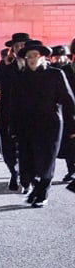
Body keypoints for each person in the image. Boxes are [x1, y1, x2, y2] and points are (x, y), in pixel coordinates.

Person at [10, 40, 75, 207]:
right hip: (27, 125)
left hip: (50, 126)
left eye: (35, 55)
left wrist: (72, 124)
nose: (32, 59)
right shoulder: (21, 78)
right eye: (29, 56)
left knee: (46, 161)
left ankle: (42, 194)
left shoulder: (55, 74)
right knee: (27, 161)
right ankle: (35, 188)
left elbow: (68, 101)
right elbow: (15, 104)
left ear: (43, 57)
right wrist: (13, 126)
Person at [0, 33, 30, 191]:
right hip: (7, 112)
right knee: (7, 145)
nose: (20, 48)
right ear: (12, 48)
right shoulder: (6, 66)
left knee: (26, 145)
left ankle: (26, 179)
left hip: (27, 113)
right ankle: (13, 171)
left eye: (23, 45)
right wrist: (3, 64)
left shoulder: (34, 66)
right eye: (17, 46)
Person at [51, 45, 75, 181]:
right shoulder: (64, 71)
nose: (60, 59)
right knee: (70, 142)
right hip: (68, 111)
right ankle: (71, 169)